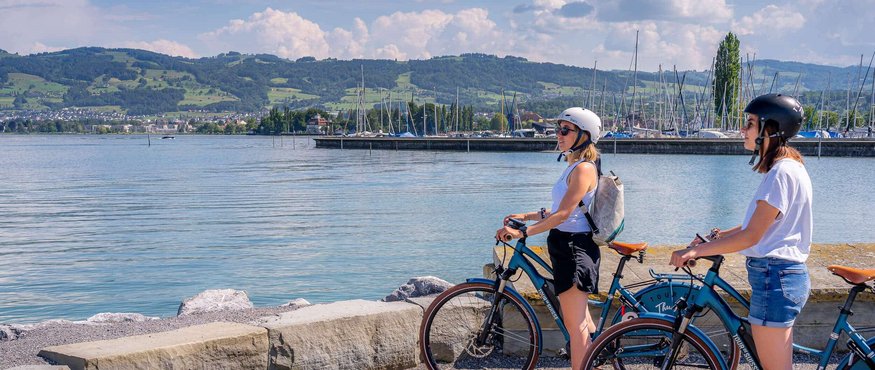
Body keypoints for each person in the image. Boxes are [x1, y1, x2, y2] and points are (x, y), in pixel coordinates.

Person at [670, 94, 811, 370]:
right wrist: (716, 238)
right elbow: (758, 225)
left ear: (770, 129)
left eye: (749, 123)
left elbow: (751, 237)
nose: (742, 130)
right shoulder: (790, 168)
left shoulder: (781, 173)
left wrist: (694, 251)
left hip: (775, 277)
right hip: (779, 277)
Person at [496, 107, 602, 370]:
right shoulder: (574, 166)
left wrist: (523, 232)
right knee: (583, 323)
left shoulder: (584, 169)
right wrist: (529, 215)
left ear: (584, 135)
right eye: (559, 128)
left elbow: (564, 215)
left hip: (574, 250)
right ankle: (599, 356)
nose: (559, 134)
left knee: (575, 326)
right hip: (566, 247)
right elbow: (562, 209)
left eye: (566, 130)